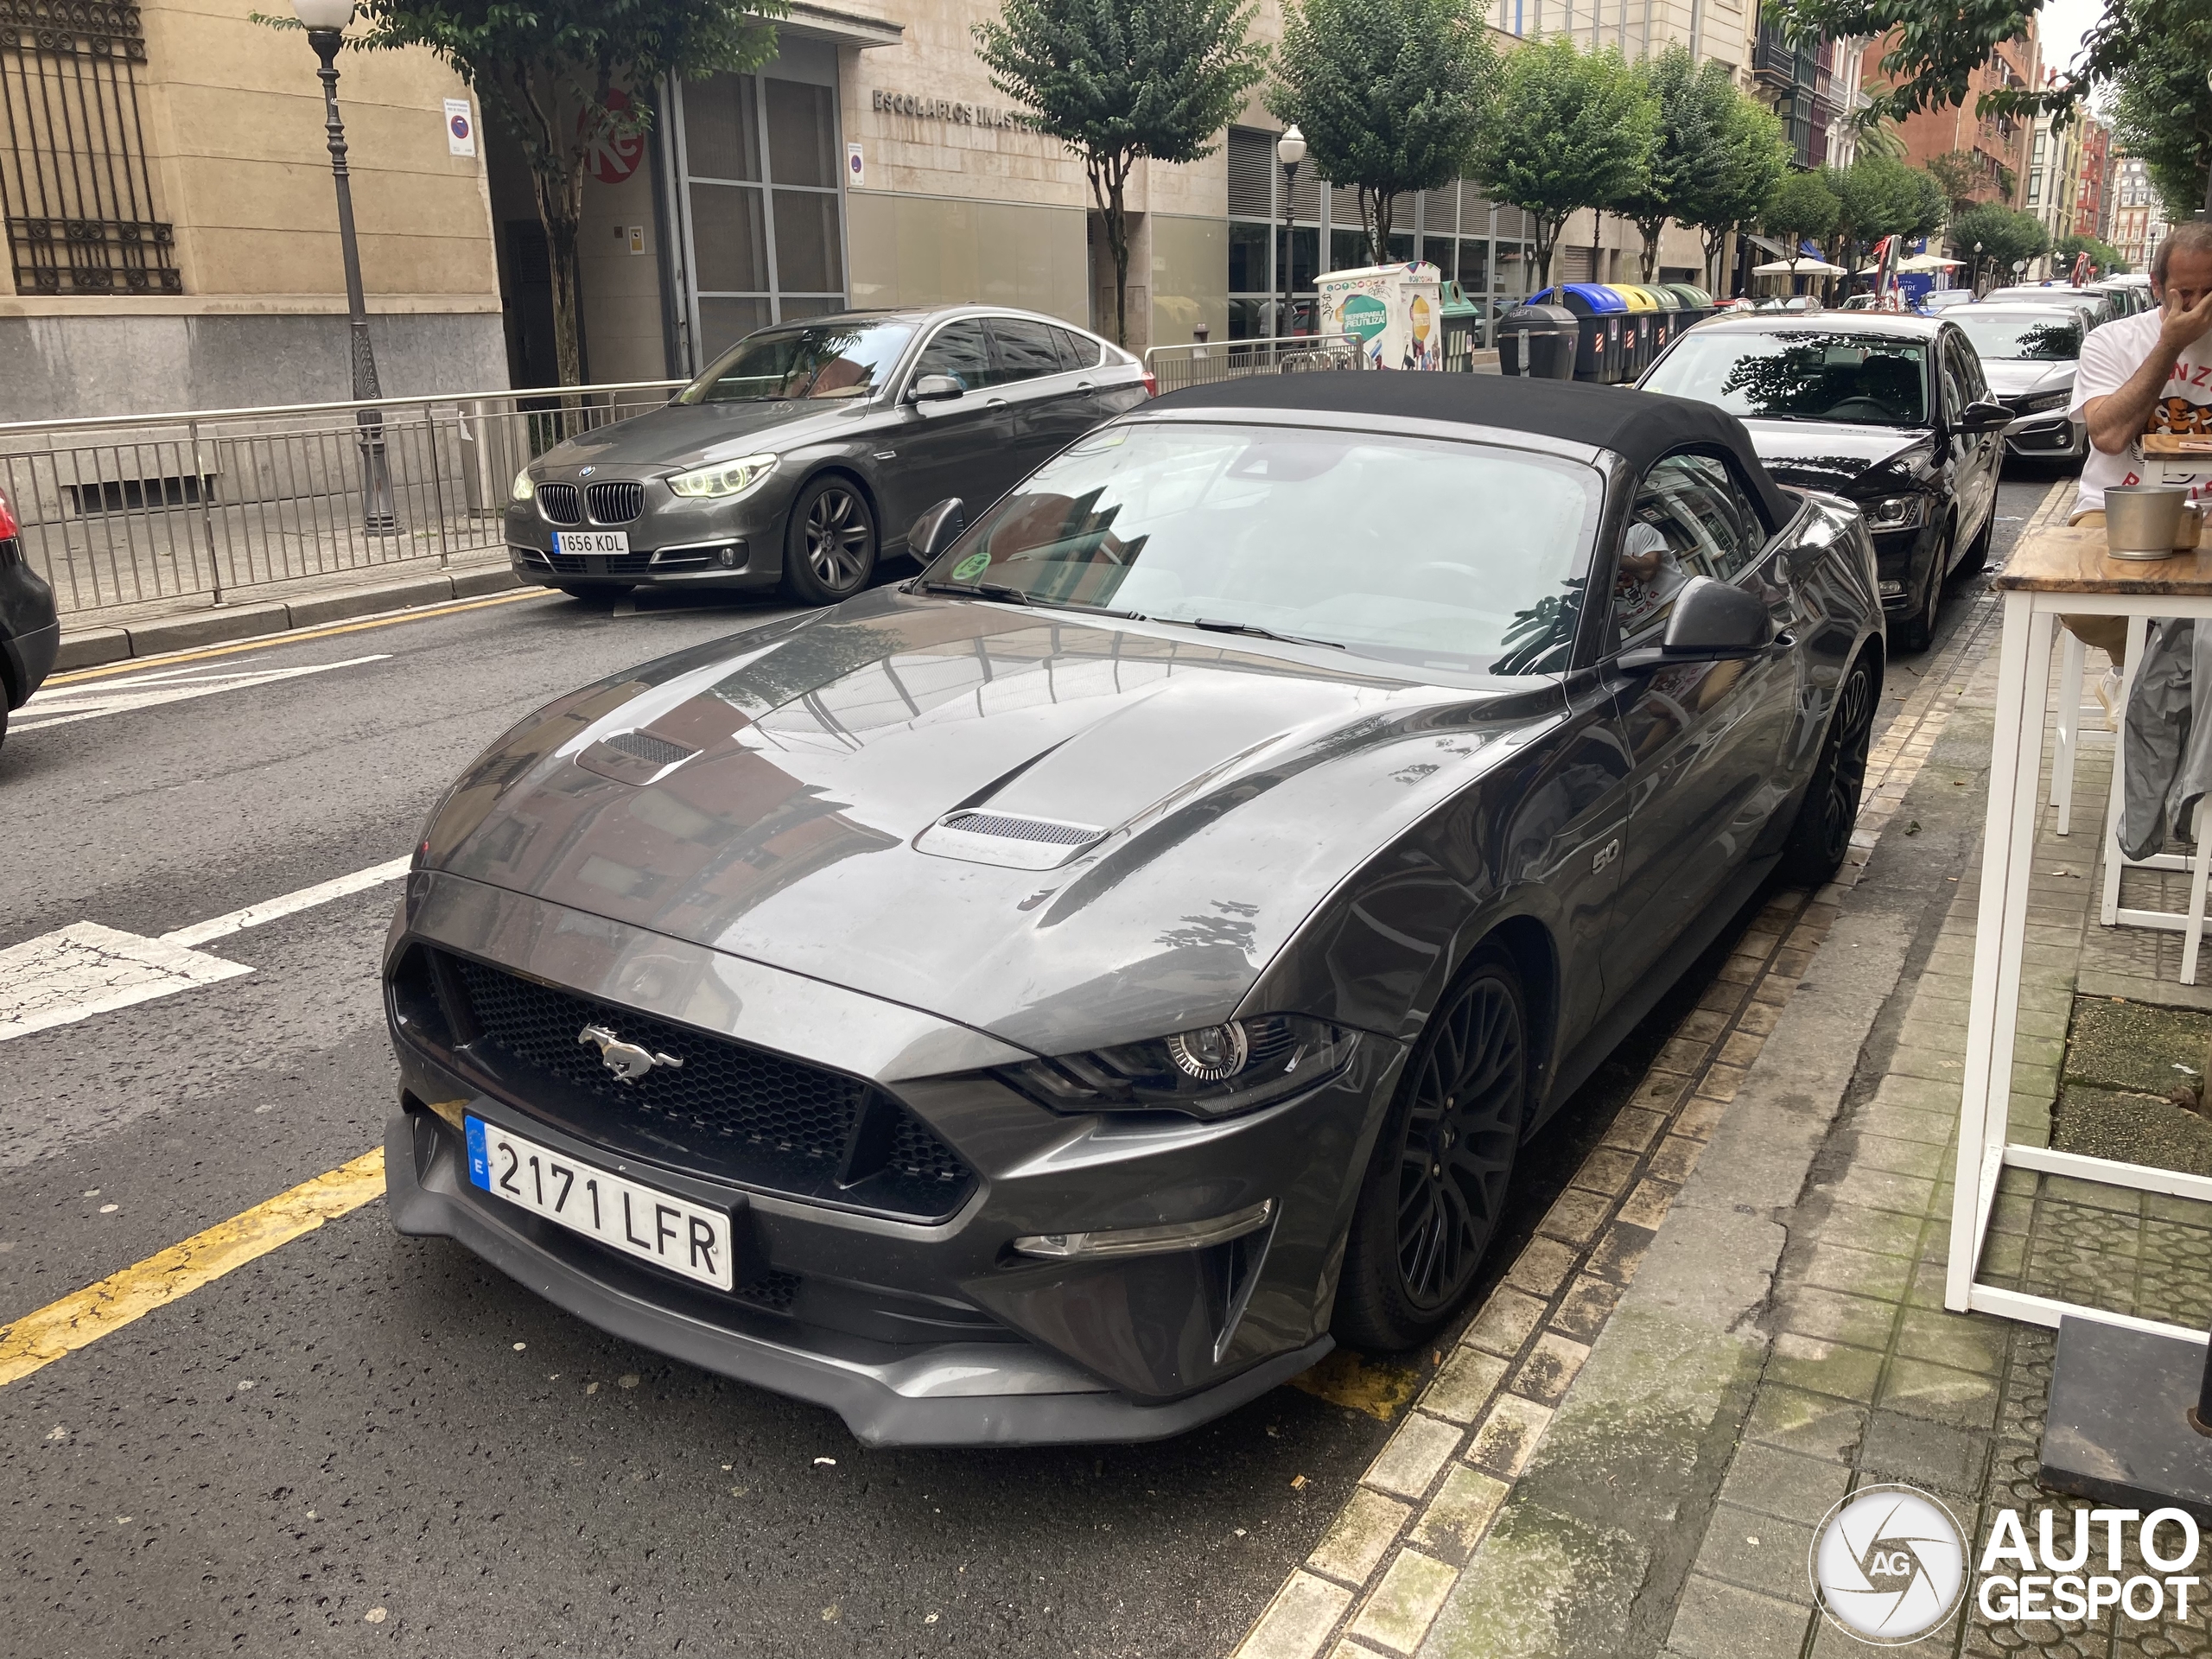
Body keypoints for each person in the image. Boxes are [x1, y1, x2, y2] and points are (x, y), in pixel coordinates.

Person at [2061, 221, 2212, 718]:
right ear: (2156, 289)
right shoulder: (2112, 342)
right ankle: (2140, 671)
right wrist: (2169, 346)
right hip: (2114, 511)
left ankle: (2156, 689)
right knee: (2088, 601)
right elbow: (2107, 435)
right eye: (2186, 294)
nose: (2200, 307)